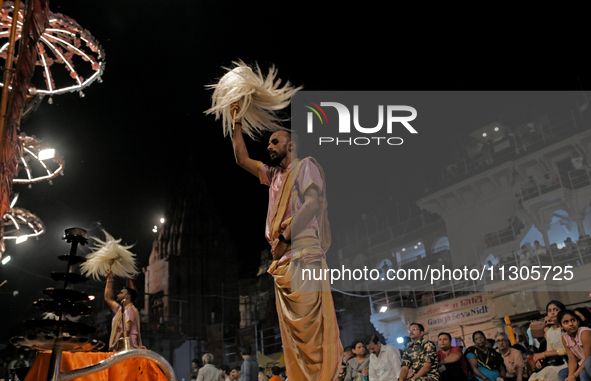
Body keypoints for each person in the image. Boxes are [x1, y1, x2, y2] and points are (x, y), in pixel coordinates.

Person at [230, 102, 342, 381]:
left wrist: (283, 238)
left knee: (309, 331)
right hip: (282, 260)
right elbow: (241, 159)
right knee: (292, 335)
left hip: (301, 252)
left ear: (291, 146)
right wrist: (237, 123)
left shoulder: (305, 167)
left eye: (275, 141)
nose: (269, 146)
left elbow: (312, 204)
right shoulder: (274, 176)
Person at [529, 300, 569, 381]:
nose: (552, 313)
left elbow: (570, 349)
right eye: (549, 311)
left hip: (567, 361)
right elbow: (550, 352)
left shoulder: (567, 328)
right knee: (536, 376)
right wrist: (540, 359)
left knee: (548, 375)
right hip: (556, 362)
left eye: (556, 310)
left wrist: (543, 354)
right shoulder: (549, 332)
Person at [104, 270, 142, 351]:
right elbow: (108, 298)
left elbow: (126, 331)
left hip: (126, 349)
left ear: (127, 296)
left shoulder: (129, 310)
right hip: (121, 349)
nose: (118, 294)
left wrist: (115, 345)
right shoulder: (120, 309)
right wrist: (109, 280)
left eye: (121, 293)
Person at [557, 310, 591, 381]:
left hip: (589, 361)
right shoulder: (564, 337)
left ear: (578, 321)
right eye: (566, 322)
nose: (571, 324)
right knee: (562, 373)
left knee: (583, 373)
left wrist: (574, 376)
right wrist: (570, 377)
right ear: (561, 326)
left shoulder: (585, 332)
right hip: (582, 363)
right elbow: (572, 359)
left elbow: (588, 357)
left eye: (573, 320)